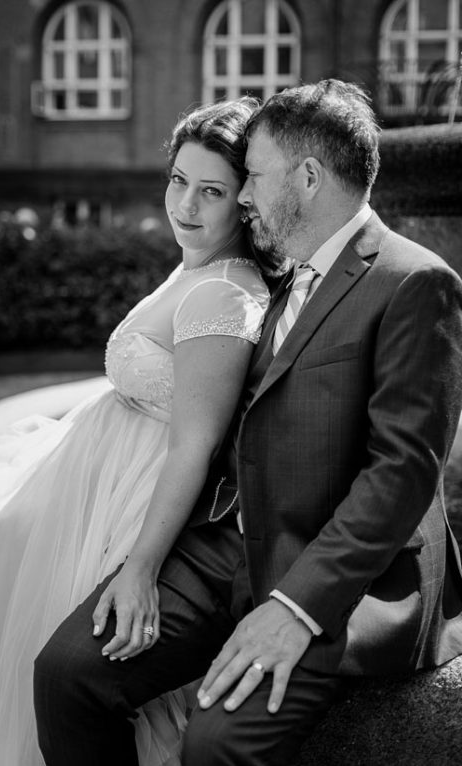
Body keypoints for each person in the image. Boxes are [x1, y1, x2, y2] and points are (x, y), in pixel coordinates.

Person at [34, 79, 462, 766]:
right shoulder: (281, 275)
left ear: (309, 177)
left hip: (339, 578)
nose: (243, 197)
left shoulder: (415, 282)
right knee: (67, 674)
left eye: (254, 177)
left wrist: (296, 607)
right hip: (226, 549)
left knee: (214, 746)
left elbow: (402, 473)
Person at [0, 97, 280, 765]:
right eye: (178, 181)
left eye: (211, 191)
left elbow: (196, 445)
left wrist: (141, 570)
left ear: (245, 200)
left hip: (129, 500)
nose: (186, 204)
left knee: (33, 615)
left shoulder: (224, 294)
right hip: (96, 468)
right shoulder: (196, 264)